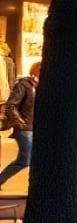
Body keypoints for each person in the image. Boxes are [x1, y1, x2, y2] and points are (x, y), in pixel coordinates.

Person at [0, 61, 39, 190]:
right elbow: (11, 105)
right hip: (25, 128)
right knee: (25, 159)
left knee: (34, 159)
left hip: (35, 128)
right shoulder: (25, 85)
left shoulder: (40, 87)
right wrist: (20, 122)